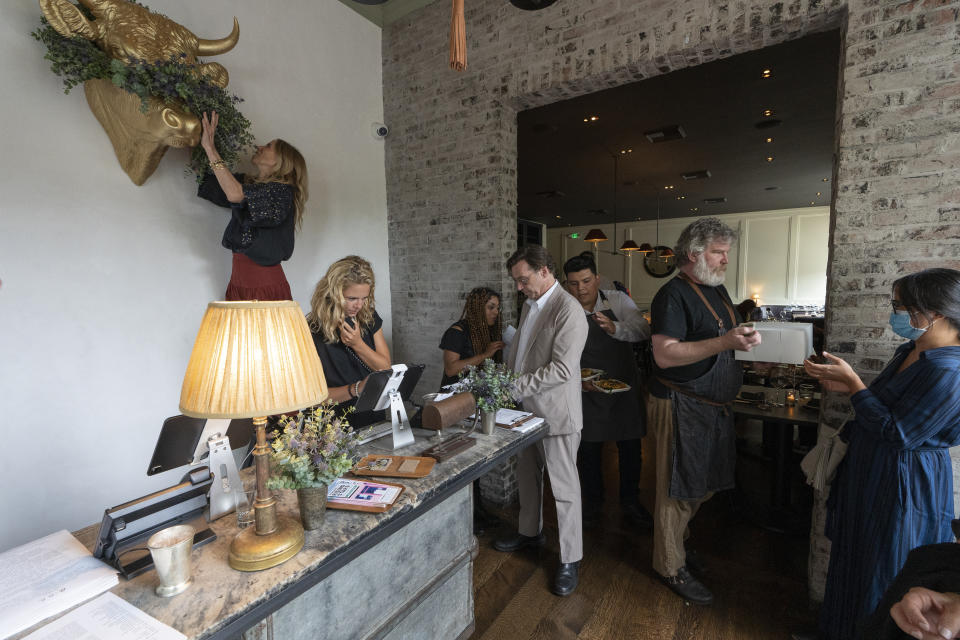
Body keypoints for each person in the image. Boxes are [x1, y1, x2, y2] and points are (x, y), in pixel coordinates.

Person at [802, 268, 960, 640]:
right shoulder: (912, 349)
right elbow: (886, 407)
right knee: (853, 552)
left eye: (901, 307)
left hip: (904, 478)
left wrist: (855, 382)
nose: (896, 314)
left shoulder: (950, 371)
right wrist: (845, 386)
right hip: (870, 466)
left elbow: (900, 433)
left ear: (934, 311)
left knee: (883, 565)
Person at [648, 217, 761, 605]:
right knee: (676, 489)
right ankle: (669, 565)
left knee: (703, 486)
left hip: (710, 406)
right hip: (679, 403)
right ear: (694, 253)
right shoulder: (672, 295)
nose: (725, 260)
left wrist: (741, 338)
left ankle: (675, 545)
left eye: (726, 253)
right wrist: (724, 341)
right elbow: (664, 356)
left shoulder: (718, 290)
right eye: (718, 253)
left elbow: (721, 337)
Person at [493, 245, 588, 597]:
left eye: (523, 279)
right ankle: (530, 532)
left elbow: (563, 369)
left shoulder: (569, 310)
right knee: (527, 477)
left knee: (564, 489)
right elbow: (520, 352)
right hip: (524, 412)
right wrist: (503, 379)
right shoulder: (531, 304)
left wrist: (513, 385)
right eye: (517, 281)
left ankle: (569, 558)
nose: (519, 287)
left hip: (556, 414)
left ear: (545, 270)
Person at [562, 252, 652, 529]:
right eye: (574, 283)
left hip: (623, 386)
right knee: (588, 450)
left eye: (586, 281)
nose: (581, 289)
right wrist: (576, 382)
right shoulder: (565, 308)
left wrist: (616, 327)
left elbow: (642, 330)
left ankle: (630, 501)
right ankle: (592, 502)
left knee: (629, 447)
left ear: (597, 279)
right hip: (585, 388)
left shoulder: (617, 300)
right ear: (567, 284)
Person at [196, 111, 308, 301]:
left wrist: (210, 148)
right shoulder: (248, 185)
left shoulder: (282, 192)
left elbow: (235, 194)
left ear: (281, 161)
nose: (259, 146)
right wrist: (196, 136)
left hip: (263, 287)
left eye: (269, 146)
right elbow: (208, 182)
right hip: (239, 284)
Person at [306, 256, 391, 428]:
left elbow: (385, 369)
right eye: (352, 298)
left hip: (373, 415)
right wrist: (357, 389)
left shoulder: (369, 317)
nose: (359, 305)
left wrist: (358, 344)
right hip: (334, 426)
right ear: (333, 293)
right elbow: (313, 397)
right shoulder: (311, 330)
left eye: (364, 298)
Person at [439, 287, 505, 387]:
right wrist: (485, 355)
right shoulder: (457, 332)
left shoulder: (490, 331)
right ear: (477, 308)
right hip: (455, 395)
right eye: (491, 307)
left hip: (479, 394)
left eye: (497, 308)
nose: (496, 312)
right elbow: (451, 370)